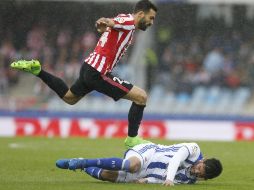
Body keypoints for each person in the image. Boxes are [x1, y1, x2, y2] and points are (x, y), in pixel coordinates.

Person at [10, 0, 157, 148]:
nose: (151, 22)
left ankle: (38, 71)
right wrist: (105, 21)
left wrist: (103, 25)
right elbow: (111, 22)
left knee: (69, 97)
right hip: (98, 73)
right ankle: (132, 138)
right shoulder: (129, 21)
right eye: (151, 18)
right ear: (140, 14)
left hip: (88, 68)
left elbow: (109, 25)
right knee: (141, 97)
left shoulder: (126, 23)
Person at [56, 142, 223, 186]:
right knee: (132, 165)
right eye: (200, 168)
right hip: (149, 153)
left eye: (200, 175)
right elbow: (176, 158)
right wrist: (170, 179)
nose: (196, 171)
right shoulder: (194, 150)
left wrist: (148, 181)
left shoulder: (188, 180)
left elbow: (160, 180)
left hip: (146, 173)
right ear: (203, 159)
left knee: (108, 176)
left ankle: (82, 164)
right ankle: (84, 162)